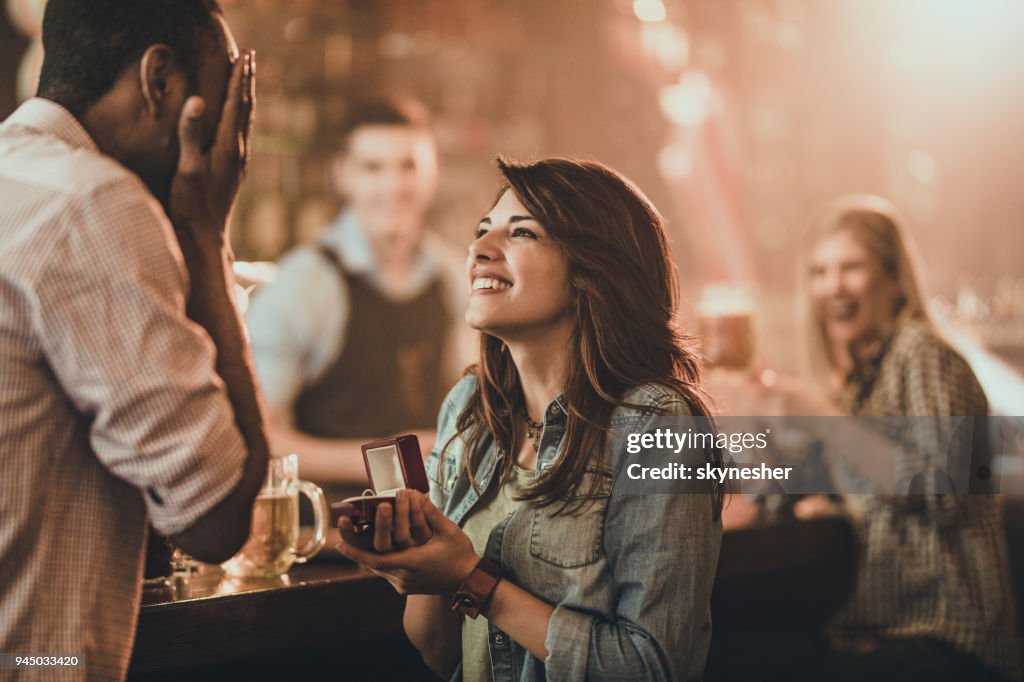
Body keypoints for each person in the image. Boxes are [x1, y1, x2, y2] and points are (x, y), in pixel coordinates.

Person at [336, 157, 724, 681]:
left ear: (593, 267)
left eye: (522, 232)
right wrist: (419, 563)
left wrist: (472, 579)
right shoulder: (470, 408)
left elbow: (653, 667)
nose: (479, 250)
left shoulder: (657, 425)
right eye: (480, 231)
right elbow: (437, 652)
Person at [0, 1, 269, 679]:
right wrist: (206, 233)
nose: (233, 132)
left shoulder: (19, 180)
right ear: (160, 82)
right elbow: (216, 517)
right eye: (224, 92)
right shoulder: (94, 204)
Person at [727, 195, 1021, 682]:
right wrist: (752, 428)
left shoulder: (921, 351)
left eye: (850, 267)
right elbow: (776, 498)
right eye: (819, 272)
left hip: (948, 639)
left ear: (892, 279)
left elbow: (941, 491)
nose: (832, 286)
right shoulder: (864, 382)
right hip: (879, 634)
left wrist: (821, 415)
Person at [245, 97, 469, 492]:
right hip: (329, 536)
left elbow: (480, 411)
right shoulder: (304, 282)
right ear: (343, 175)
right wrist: (393, 464)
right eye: (373, 168)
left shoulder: (455, 277)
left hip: (431, 532)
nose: (393, 185)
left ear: (433, 173)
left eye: (408, 167)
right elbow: (260, 435)